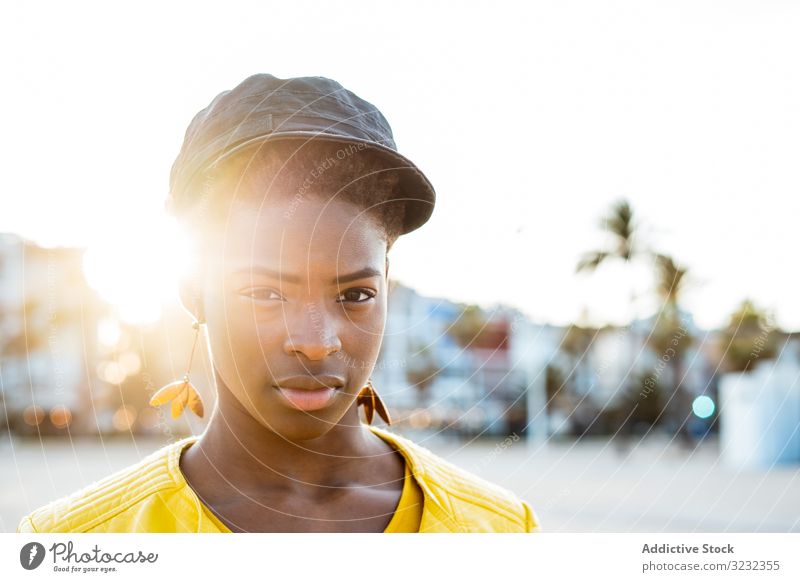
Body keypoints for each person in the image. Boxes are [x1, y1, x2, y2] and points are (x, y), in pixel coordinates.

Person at [17, 74, 541, 533]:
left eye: (355, 295)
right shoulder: (80, 542)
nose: (315, 342)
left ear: (386, 286)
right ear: (194, 291)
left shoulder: (497, 530)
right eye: (264, 293)